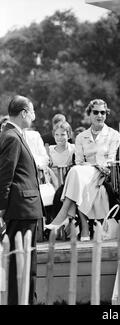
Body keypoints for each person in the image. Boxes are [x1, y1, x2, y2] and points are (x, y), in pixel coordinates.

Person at [45, 99, 120, 241]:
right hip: (84, 173)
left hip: (104, 173)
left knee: (76, 172)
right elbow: (79, 161)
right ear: (89, 114)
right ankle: (84, 227)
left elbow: (110, 160)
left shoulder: (114, 135)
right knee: (77, 173)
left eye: (103, 112)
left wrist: (94, 165)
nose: (100, 115)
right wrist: (87, 166)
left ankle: (64, 216)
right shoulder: (81, 137)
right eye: (96, 112)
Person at [0, 95, 44, 305]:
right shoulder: (11, 137)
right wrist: (1, 210)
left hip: (24, 208)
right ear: (24, 112)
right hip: (20, 210)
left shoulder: (14, 134)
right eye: (32, 111)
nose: (34, 117)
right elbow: (4, 177)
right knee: (22, 265)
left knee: (27, 265)